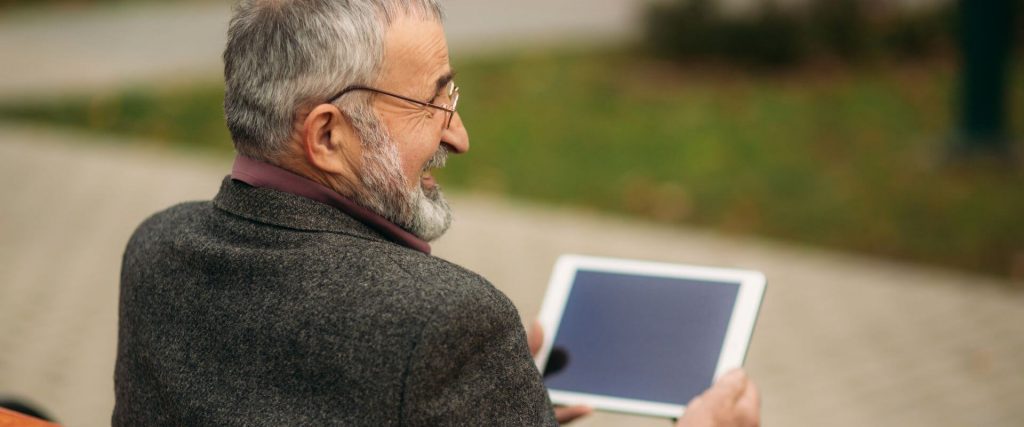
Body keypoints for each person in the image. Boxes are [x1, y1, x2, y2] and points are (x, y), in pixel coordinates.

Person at [113, 1, 761, 425]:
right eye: (435, 101)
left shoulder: (155, 248)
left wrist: (497, 400)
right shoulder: (448, 320)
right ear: (329, 137)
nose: (460, 135)